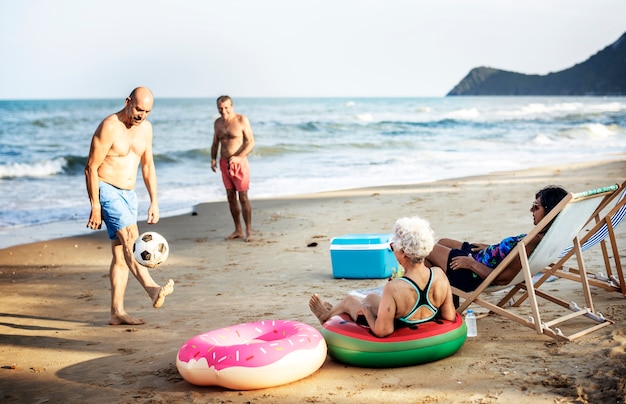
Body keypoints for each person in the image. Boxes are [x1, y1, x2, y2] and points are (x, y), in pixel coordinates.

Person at [85, 87, 174, 326]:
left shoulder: (146, 129)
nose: (141, 115)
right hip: (107, 189)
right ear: (127, 102)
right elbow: (91, 168)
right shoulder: (110, 126)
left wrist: (154, 200)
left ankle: (117, 312)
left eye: (146, 111)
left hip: (129, 195)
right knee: (131, 239)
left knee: (120, 255)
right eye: (138, 109)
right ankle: (152, 288)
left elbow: (148, 166)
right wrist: (95, 206)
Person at [309, 216, 457, 338]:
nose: (392, 251)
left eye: (393, 247)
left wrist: (366, 312)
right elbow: (449, 316)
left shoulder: (394, 288)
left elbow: (383, 331)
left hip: (402, 325)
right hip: (423, 315)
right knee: (372, 298)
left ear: (403, 253)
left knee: (349, 301)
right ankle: (334, 310)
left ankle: (326, 315)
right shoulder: (439, 274)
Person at [425, 185, 568, 296]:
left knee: (425, 249)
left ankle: (440, 300)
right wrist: (492, 248)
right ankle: (445, 296)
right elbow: (512, 256)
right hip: (483, 258)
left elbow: (503, 279)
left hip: (473, 273)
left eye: (536, 207)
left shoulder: (532, 242)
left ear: (550, 211)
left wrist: (471, 264)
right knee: (443, 242)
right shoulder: (545, 235)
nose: (531, 209)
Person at [210, 95, 255, 242]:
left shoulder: (242, 120)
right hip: (224, 163)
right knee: (230, 197)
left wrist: (240, 157)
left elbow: (250, 142)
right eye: (220, 108)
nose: (223, 111)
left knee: (243, 197)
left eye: (226, 108)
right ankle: (238, 229)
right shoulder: (217, 123)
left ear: (232, 107)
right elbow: (215, 142)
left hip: (240, 163)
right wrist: (213, 159)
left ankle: (248, 230)